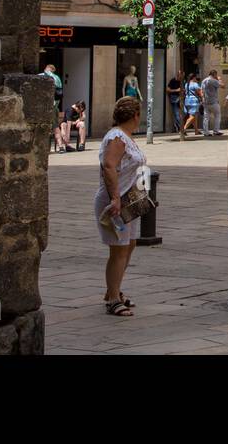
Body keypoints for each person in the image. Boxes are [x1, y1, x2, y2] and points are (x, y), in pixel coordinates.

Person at [96, 96, 147, 317]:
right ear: (136, 116)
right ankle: (113, 299)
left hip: (130, 199)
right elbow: (109, 165)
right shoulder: (117, 137)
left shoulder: (126, 136)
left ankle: (113, 290)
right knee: (118, 249)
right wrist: (115, 197)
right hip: (114, 199)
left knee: (130, 244)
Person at [200, 70, 223, 137]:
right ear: (215, 74)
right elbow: (223, 86)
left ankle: (206, 132)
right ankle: (216, 131)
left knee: (206, 118)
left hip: (206, 102)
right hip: (214, 101)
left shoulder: (204, 81)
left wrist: (203, 99)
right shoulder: (214, 80)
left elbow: (201, 91)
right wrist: (219, 79)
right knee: (217, 116)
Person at [179, 72, 201, 140]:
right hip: (194, 101)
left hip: (187, 101)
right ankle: (183, 129)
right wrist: (202, 98)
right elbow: (199, 92)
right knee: (192, 116)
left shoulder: (186, 84)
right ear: (194, 78)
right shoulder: (195, 84)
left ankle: (196, 131)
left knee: (194, 116)